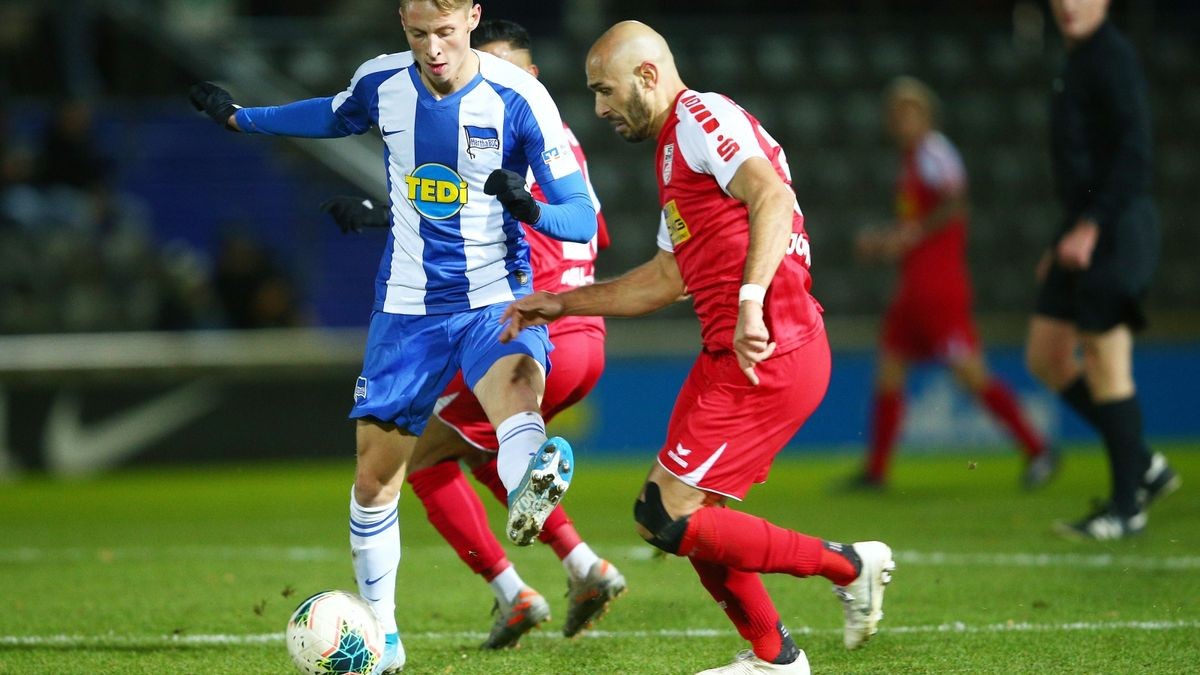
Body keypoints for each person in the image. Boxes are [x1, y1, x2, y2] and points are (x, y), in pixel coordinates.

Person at [189, 2, 597, 672]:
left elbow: (579, 216)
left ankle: (531, 478)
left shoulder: (519, 97)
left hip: (494, 295)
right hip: (406, 310)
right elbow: (329, 113)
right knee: (375, 478)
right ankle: (384, 637)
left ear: (472, 14)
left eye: (443, 32)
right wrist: (241, 117)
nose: (432, 49)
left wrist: (533, 209)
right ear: (401, 25)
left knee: (514, 396)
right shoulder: (383, 82)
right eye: (416, 34)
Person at [502, 21, 895, 675]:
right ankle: (775, 656)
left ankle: (850, 565)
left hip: (768, 347)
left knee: (664, 514)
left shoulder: (701, 116)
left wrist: (749, 301)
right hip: (732, 354)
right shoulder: (673, 156)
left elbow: (770, 192)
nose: (598, 108)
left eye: (605, 90)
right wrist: (562, 300)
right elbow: (664, 279)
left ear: (648, 76)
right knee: (687, 515)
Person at [321, 18, 626, 651]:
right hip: (585, 334)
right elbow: (591, 233)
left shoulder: (510, 132)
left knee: (424, 460)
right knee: (494, 453)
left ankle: (517, 594)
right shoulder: (562, 144)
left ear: (532, 79)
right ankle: (583, 567)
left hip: (528, 325)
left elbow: (479, 229)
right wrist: (385, 215)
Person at [852, 76, 1055, 490]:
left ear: (926, 115)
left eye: (910, 112)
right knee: (889, 368)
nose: (902, 120)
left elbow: (956, 203)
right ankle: (876, 472)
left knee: (969, 372)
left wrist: (909, 235)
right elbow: (920, 221)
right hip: (914, 286)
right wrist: (890, 239)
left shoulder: (933, 152)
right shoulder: (912, 160)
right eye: (897, 113)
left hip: (938, 286)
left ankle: (1039, 449)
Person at [1026, 0, 1179, 540]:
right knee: (1046, 354)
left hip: (1116, 230)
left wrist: (1091, 226)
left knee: (1104, 360)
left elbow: (1135, 154)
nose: (1070, 4)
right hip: (1083, 228)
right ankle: (1143, 463)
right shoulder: (1076, 61)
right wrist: (1067, 234)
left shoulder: (1111, 58)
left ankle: (1125, 507)